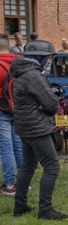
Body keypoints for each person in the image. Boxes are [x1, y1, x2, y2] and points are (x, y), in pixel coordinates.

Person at [10, 40, 68, 219]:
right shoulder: (34, 76)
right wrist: (48, 104)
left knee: (28, 166)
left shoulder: (20, 74)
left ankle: (20, 206)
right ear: (40, 58)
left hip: (24, 126)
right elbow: (51, 104)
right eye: (48, 58)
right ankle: (45, 209)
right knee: (51, 166)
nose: (49, 61)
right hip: (37, 128)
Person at [0, 38, 24, 195]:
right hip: (17, 108)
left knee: (5, 147)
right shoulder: (17, 63)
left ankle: (10, 185)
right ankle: (23, 180)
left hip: (2, 109)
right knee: (18, 144)